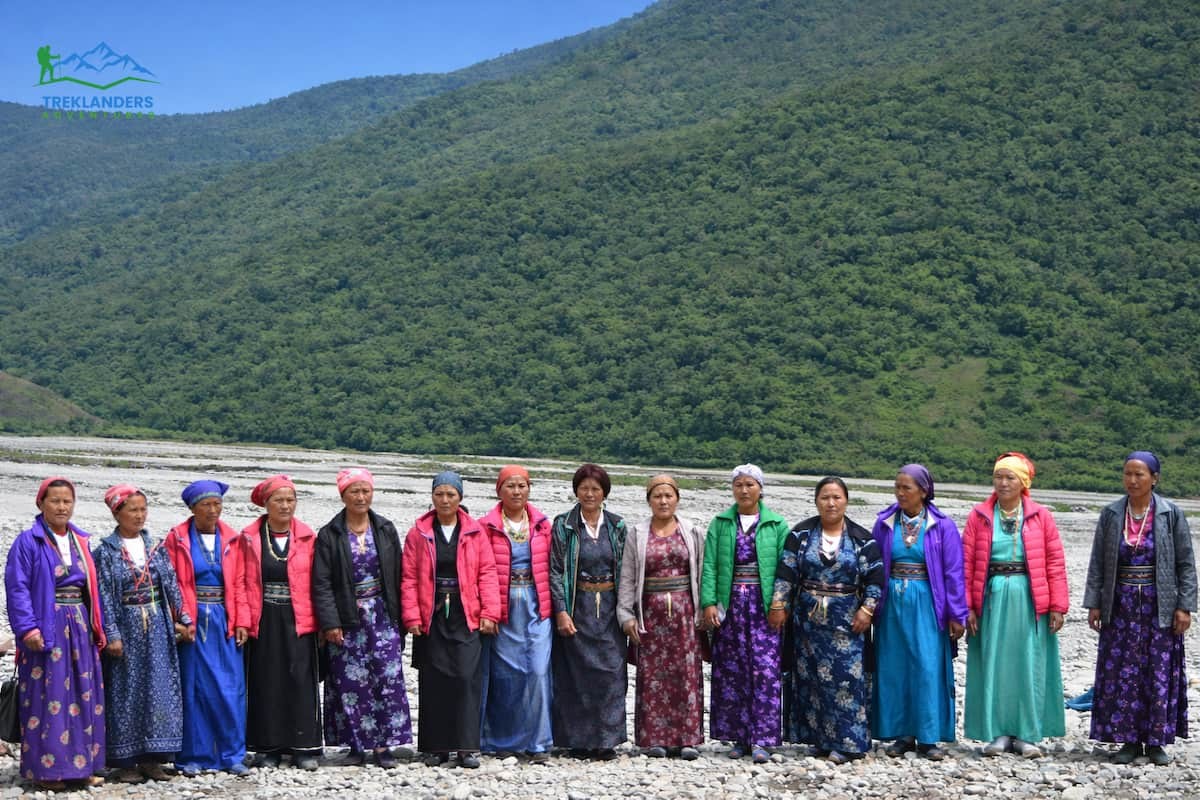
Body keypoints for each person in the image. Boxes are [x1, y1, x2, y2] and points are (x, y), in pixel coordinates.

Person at [1084, 451, 1196, 765]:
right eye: (1128, 474)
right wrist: (1094, 602)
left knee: (1157, 671)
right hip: (1119, 605)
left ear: (1154, 478)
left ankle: (1156, 740)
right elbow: (1097, 563)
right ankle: (1129, 740)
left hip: (1159, 604)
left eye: (1140, 475)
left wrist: (1184, 606)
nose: (1132, 480)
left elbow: (1186, 565)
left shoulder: (1170, 514)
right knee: (1123, 671)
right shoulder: (1111, 513)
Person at [769, 476, 883, 765]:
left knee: (847, 680)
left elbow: (875, 579)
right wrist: (779, 604)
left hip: (847, 621)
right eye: (825, 497)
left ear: (846, 500)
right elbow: (786, 573)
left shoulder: (861, 538)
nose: (831, 503)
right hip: (807, 620)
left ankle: (850, 742)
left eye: (837, 497)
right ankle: (819, 740)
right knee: (811, 679)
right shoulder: (801, 534)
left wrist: (867, 610)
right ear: (816, 501)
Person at [963, 452, 1068, 758]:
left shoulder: (1040, 516)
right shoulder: (979, 516)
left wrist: (1058, 605)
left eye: (1010, 478)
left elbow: (1055, 562)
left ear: (1023, 482)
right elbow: (967, 564)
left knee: (1028, 664)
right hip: (992, 596)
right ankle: (996, 732)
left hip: (1029, 596)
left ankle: (1027, 733)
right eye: (999, 477)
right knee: (993, 663)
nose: (1003, 483)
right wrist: (967, 606)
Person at [4, 477, 106, 790]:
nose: (62, 507)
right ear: (41, 504)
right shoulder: (28, 541)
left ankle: (82, 765)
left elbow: (91, 587)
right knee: (49, 698)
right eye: (55, 501)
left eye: (67, 501)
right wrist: (27, 628)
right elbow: (17, 587)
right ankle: (48, 770)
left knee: (82, 694)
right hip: (46, 627)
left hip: (79, 625)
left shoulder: (80, 540)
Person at [312, 467, 412, 768]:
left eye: (365, 490)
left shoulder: (385, 529)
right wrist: (330, 623)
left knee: (387, 677)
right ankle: (355, 745)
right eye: (354, 491)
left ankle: (383, 747)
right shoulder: (330, 534)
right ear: (343, 495)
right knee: (349, 683)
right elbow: (322, 582)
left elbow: (399, 574)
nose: (360, 496)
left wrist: (401, 618)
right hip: (347, 618)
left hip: (382, 614)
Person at [401, 471, 501, 769]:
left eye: (451, 495)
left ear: (460, 498)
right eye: (439, 494)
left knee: (466, 679)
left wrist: (489, 612)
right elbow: (408, 577)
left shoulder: (474, 532)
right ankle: (435, 747)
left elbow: (487, 572)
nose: (445, 500)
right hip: (431, 613)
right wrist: (412, 616)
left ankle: (467, 747)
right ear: (432, 496)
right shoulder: (419, 532)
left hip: (465, 613)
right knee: (433, 680)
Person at [93, 484, 190, 783]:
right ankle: (125, 761)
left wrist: (183, 617)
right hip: (127, 627)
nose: (139, 515)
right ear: (117, 512)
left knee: (159, 688)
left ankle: (153, 759)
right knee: (126, 691)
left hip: (158, 627)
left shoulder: (156, 547)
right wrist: (111, 634)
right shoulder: (106, 552)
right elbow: (104, 597)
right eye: (132, 509)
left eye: (143, 509)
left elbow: (171, 583)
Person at [870, 465, 967, 761]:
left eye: (906, 488)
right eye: (897, 487)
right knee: (894, 666)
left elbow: (953, 572)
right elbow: (873, 565)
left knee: (926, 666)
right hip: (892, 604)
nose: (900, 493)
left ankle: (927, 736)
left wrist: (957, 614)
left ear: (924, 491)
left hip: (927, 601)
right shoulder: (885, 523)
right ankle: (902, 734)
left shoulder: (942, 526)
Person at [700, 464, 789, 764]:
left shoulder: (776, 525)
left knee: (765, 670)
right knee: (732, 669)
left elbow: (785, 569)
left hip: (764, 607)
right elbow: (710, 564)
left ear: (760, 488)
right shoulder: (721, 523)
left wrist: (780, 603)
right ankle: (738, 736)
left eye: (750, 484)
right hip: (731, 605)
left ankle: (763, 738)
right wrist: (709, 602)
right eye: (739, 484)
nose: (744, 490)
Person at [236, 475, 322, 770]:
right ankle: (268, 747)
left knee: (300, 679)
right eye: (279, 500)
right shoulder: (249, 538)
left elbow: (319, 582)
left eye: (290, 500)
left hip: (299, 615)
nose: (286, 506)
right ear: (266, 504)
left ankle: (303, 747)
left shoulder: (309, 537)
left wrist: (322, 622)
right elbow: (242, 581)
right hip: (265, 616)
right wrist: (243, 621)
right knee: (266, 680)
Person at [617, 474, 706, 760]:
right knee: (653, 676)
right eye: (657, 496)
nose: (663, 501)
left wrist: (705, 608)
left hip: (684, 616)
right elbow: (628, 576)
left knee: (686, 674)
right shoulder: (637, 534)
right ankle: (654, 738)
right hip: (650, 616)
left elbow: (702, 573)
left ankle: (687, 738)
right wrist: (626, 614)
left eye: (668, 495)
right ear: (649, 500)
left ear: (677, 498)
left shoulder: (691, 532)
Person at [164, 479, 248, 776]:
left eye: (218, 505)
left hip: (224, 619)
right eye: (206, 505)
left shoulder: (233, 539)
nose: (214, 511)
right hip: (193, 623)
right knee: (194, 688)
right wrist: (181, 618)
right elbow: (171, 583)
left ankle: (232, 754)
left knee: (230, 687)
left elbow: (240, 583)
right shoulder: (177, 539)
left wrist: (242, 621)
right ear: (192, 508)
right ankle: (192, 756)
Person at [549, 463, 629, 760]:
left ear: (604, 492)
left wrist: (627, 611)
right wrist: (561, 611)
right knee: (575, 674)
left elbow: (627, 570)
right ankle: (577, 741)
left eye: (596, 489)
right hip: (577, 603)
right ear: (576, 491)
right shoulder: (564, 525)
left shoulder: (617, 526)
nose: (590, 493)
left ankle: (606, 740)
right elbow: (556, 570)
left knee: (610, 672)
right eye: (584, 488)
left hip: (609, 606)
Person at [478, 465, 554, 762]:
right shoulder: (485, 526)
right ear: (499, 490)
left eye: (522, 485)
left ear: (529, 489)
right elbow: (480, 570)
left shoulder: (543, 525)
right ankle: (502, 740)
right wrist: (488, 609)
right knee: (505, 675)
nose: (517, 491)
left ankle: (538, 741)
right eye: (510, 486)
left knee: (537, 671)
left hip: (536, 605)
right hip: (503, 606)